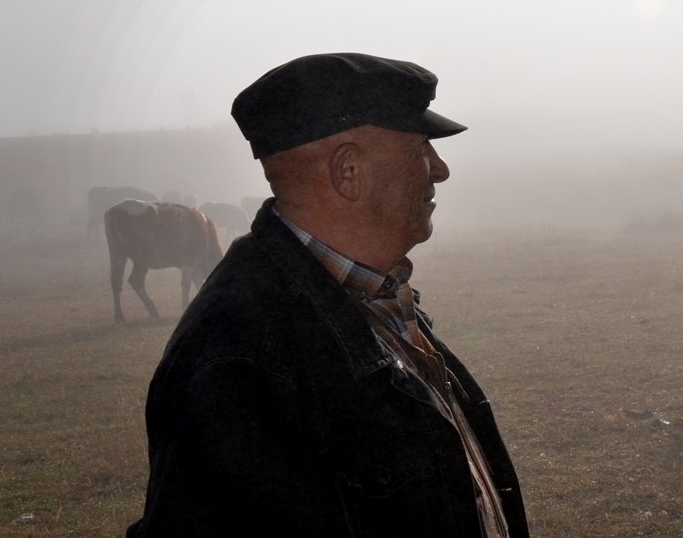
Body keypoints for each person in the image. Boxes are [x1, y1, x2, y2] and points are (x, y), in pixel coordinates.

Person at [127, 52, 528, 537]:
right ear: (349, 172)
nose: (440, 170)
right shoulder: (238, 359)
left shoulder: (367, 295)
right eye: (422, 149)